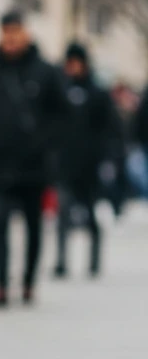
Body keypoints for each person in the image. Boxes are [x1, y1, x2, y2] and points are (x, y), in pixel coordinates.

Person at [0, 9, 66, 306]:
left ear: (26, 33)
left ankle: (29, 281)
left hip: (34, 165)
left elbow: (62, 116)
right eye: (6, 32)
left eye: (16, 31)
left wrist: (46, 145)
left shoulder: (46, 72)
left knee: (34, 224)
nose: (10, 38)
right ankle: (0, 283)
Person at [54, 41, 122, 278]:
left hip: (90, 165)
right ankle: (61, 260)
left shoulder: (98, 93)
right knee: (63, 213)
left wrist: (107, 158)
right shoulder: (60, 90)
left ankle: (93, 260)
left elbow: (110, 129)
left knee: (91, 213)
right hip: (65, 163)